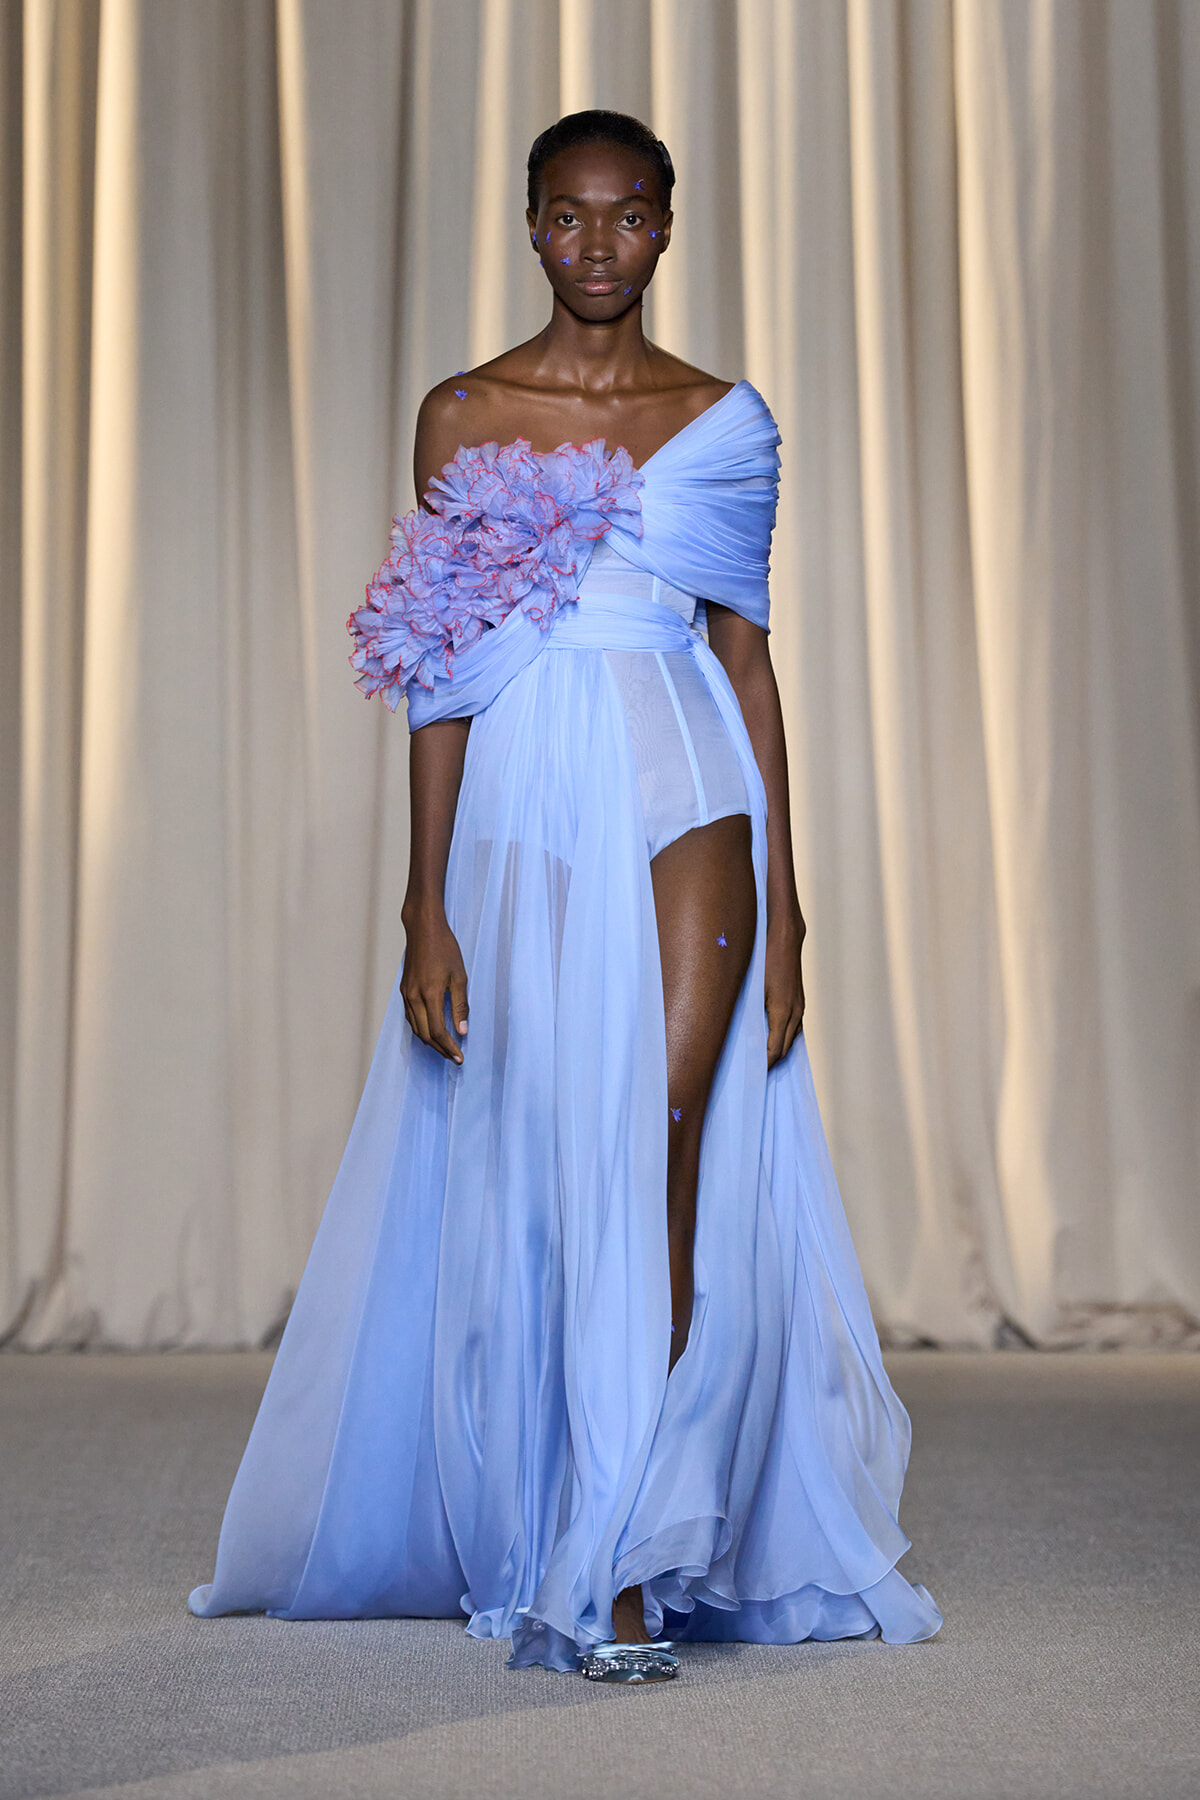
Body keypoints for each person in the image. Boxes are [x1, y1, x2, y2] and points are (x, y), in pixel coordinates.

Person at [189, 109, 941, 1685]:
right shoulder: (464, 413)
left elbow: (747, 660)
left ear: (668, 226)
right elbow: (442, 671)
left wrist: (792, 904)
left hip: (690, 777)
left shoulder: (727, 421)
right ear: (531, 226)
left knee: (665, 1144)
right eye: (570, 215)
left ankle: (624, 1552)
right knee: (549, 1155)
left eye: (630, 214)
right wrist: (422, 903)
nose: (600, 243)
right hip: (528, 789)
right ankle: (569, 1518)